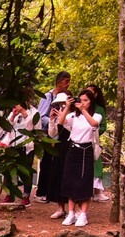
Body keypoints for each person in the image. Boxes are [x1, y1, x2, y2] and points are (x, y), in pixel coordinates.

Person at [58, 89, 103, 227]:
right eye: (81, 100)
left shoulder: (96, 115)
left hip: (86, 150)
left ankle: (83, 214)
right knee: (70, 180)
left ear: (91, 102)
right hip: (73, 149)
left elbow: (94, 124)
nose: (82, 103)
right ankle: (71, 213)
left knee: (84, 182)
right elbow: (61, 122)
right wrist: (67, 106)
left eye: (86, 100)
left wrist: (83, 110)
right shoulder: (73, 116)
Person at [34, 71, 70, 202]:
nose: (68, 84)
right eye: (66, 81)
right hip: (47, 133)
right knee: (47, 161)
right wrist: (53, 120)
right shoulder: (47, 97)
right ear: (59, 81)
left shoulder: (65, 96)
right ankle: (41, 191)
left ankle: (52, 190)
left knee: (57, 163)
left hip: (62, 133)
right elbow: (40, 116)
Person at [0, 100, 38, 204]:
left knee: (26, 171)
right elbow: (7, 126)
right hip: (12, 144)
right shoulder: (14, 111)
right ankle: (10, 194)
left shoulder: (34, 112)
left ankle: (26, 195)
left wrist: (23, 112)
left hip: (26, 145)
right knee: (8, 170)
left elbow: (30, 127)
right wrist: (13, 115)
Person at [39, 92, 71, 219]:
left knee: (70, 177)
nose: (61, 107)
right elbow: (53, 135)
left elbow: (74, 130)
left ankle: (75, 209)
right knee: (58, 176)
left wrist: (64, 118)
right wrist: (52, 120)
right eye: (58, 105)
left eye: (63, 105)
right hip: (59, 148)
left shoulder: (74, 116)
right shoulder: (57, 117)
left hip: (71, 147)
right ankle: (60, 208)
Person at [84, 84, 109, 201]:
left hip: (93, 140)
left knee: (96, 164)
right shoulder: (80, 108)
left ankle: (97, 191)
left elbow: (103, 126)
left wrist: (95, 133)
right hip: (81, 140)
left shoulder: (99, 109)